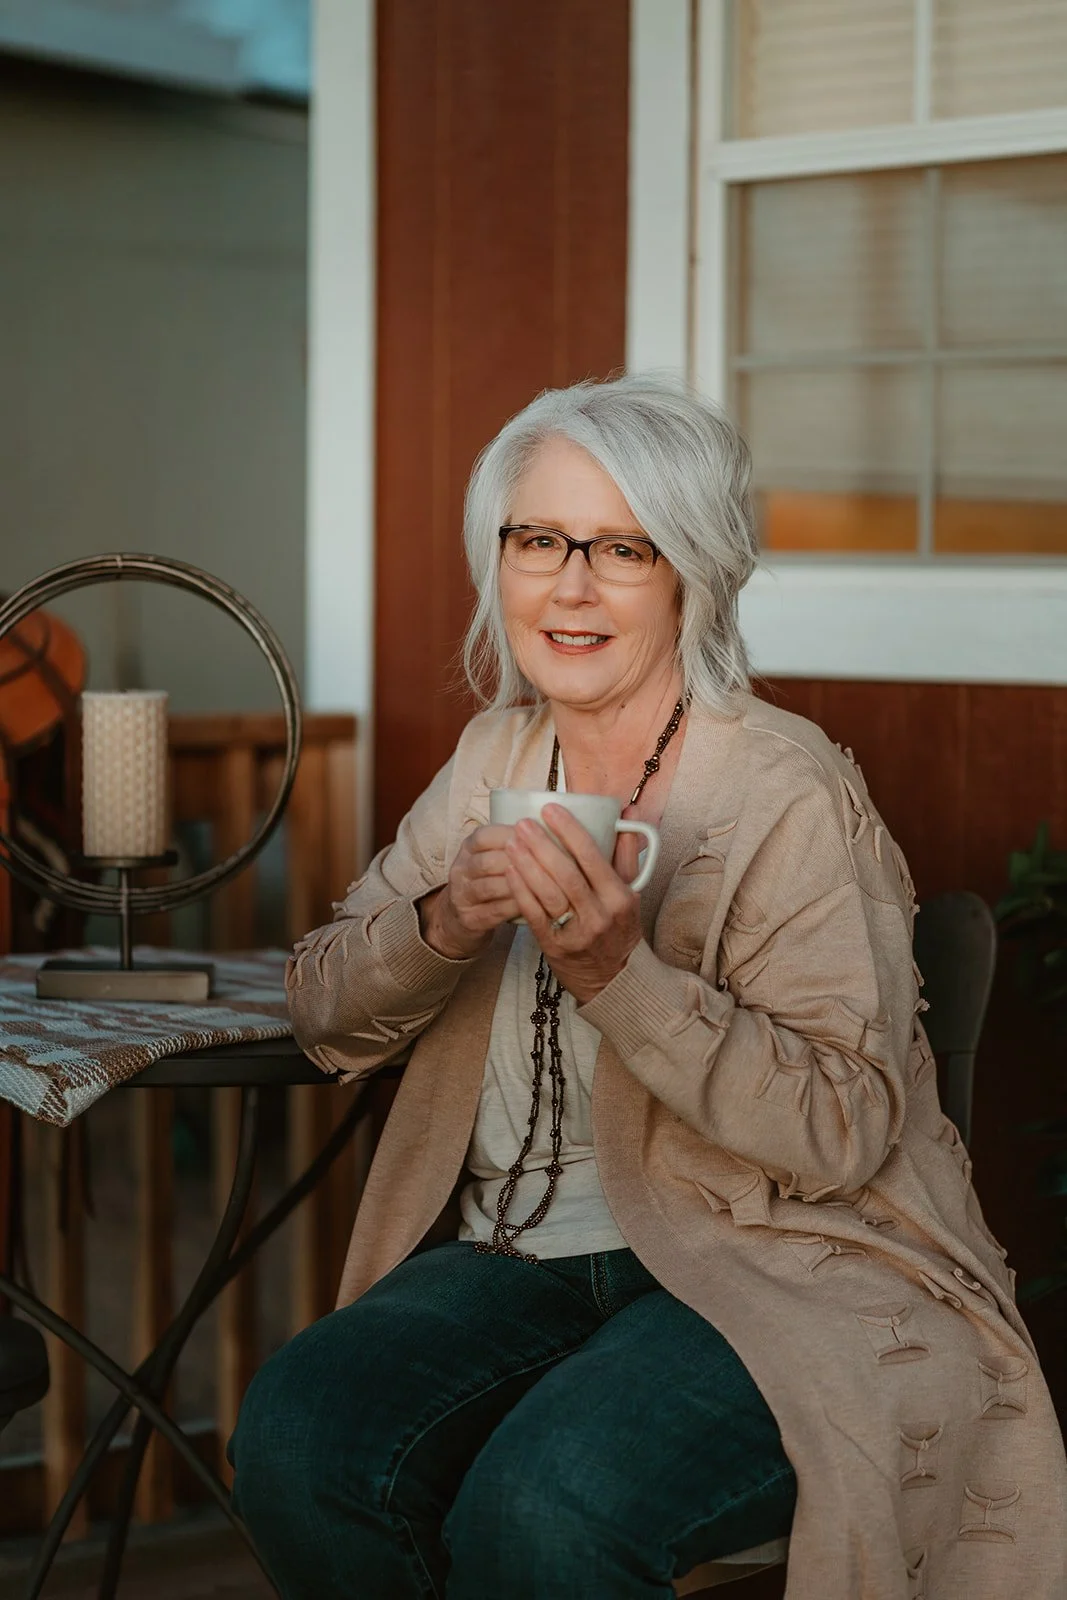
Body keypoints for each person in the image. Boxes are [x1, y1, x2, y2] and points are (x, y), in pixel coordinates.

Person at [229, 375, 1067, 1599]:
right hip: (511, 1255)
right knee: (300, 1440)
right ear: (496, 561)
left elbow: (841, 1126)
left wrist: (625, 976)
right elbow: (321, 1004)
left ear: (691, 572)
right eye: (537, 539)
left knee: (546, 1503)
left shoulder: (782, 790)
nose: (569, 584)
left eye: (621, 548)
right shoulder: (492, 760)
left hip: (770, 1255)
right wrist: (445, 918)